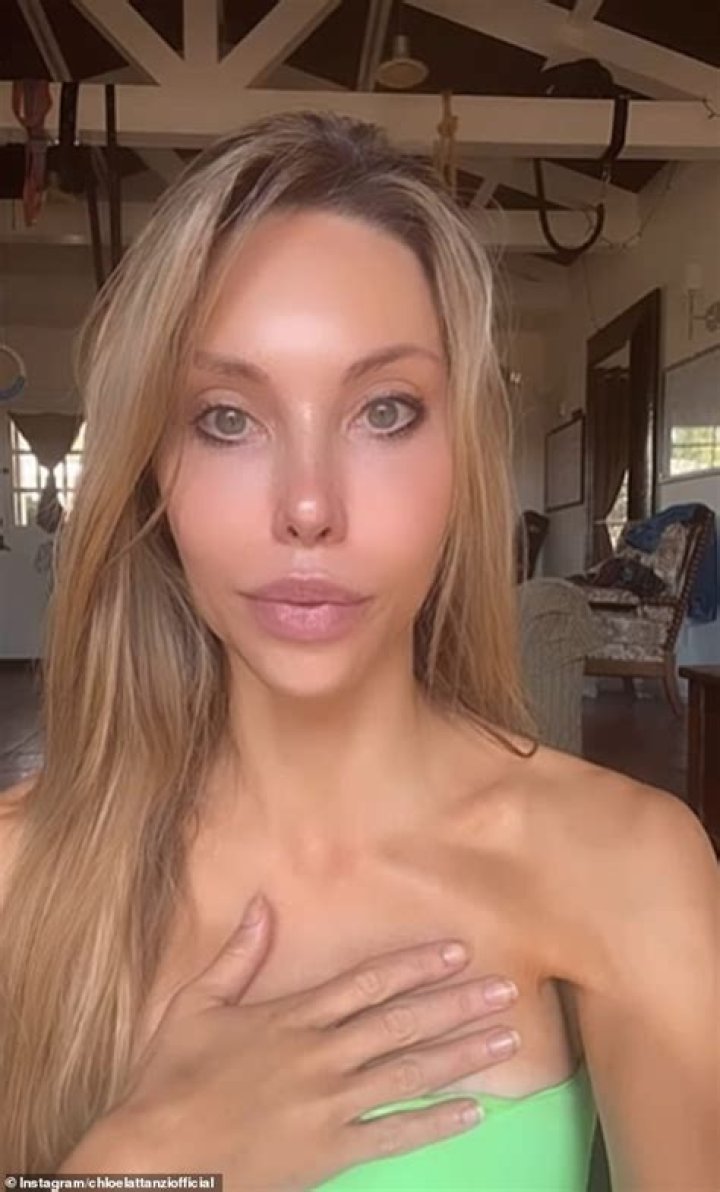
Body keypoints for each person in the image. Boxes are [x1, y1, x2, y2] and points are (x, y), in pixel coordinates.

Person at [0, 111, 716, 1190]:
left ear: (462, 458)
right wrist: (141, 1162)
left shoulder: (628, 867)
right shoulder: (21, 873)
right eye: (226, 417)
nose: (308, 506)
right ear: (151, 470)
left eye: (384, 410)